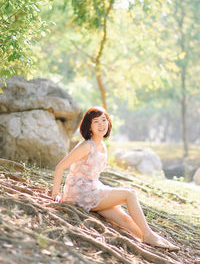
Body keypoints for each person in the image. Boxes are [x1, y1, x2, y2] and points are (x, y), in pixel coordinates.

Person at [52, 106, 179, 251]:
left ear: (108, 123)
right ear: (89, 126)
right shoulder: (86, 146)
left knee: (125, 220)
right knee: (129, 194)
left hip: (93, 188)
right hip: (80, 192)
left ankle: (153, 241)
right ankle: (150, 235)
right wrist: (56, 193)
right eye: (96, 122)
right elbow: (60, 167)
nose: (101, 125)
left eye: (104, 120)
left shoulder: (102, 147)